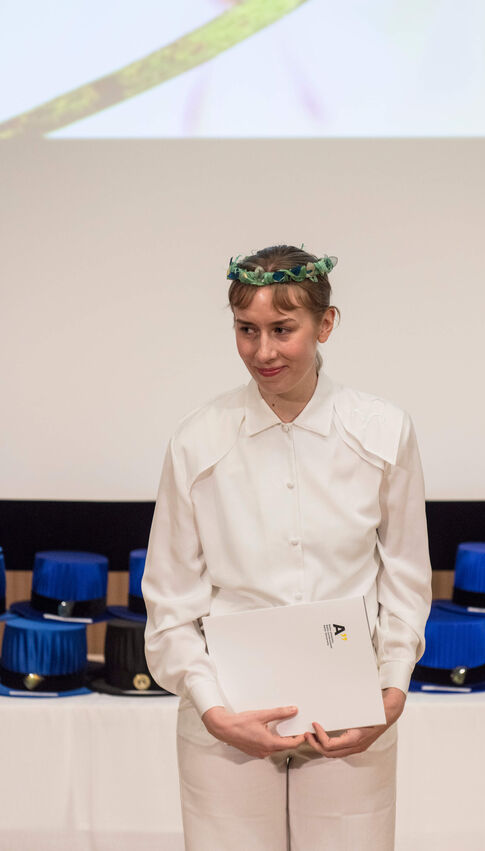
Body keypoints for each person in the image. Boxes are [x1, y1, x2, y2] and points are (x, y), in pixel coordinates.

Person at [142, 244, 432, 851]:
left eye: (283, 329)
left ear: (325, 324)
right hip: (227, 715)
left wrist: (392, 687)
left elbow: (406, 578)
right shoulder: (198, 440)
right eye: (246, 331)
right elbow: (169, 601)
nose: (263, 351)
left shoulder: (383, 432)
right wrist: (214, 709)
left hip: (351, 714)